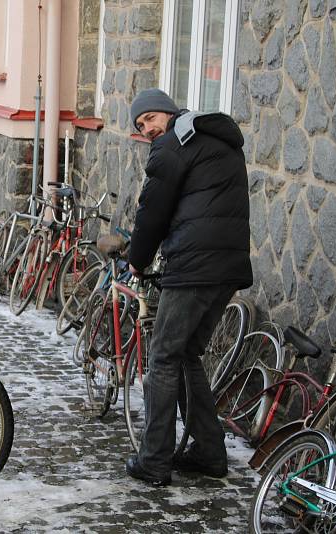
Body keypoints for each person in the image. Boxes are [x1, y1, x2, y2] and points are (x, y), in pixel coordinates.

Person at [125, 88, 252, 486]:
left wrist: (136, 258)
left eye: (148, 119)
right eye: (141, 126)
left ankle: (154, 460)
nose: (147, 129)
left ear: (166, 111)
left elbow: (153, 211)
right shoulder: (212, 137)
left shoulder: (173, 143)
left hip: (195, 267)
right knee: (187, 356)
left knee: (163, 358)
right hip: (227, 266)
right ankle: (210, 452)